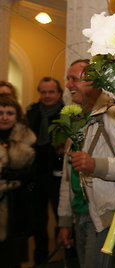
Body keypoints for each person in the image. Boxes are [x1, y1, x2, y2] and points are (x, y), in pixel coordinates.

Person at [57, 59, 115, 268]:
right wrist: (65, 220)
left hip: (104, 218)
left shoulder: (113, 115)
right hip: (81, 215)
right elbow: (68, 176)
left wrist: (95, 165)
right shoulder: (77, 118)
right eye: (68, 79)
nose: (68, 85)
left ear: (95, 83)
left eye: (74, 79)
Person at [26, 77, 65, 265]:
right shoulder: (32, 112)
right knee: (38, 223)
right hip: (36, 175)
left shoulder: (67, 114)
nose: (47, 96)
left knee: (62, 220)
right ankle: (39, 261)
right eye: (43, 91)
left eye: (51, 92)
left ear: (59, 93)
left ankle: (62, 259)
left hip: (58, 177)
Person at [0, 94, 36, 268]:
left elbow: (31, 172)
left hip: (16, 205)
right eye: (0, 113)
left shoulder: (27, 138)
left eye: (9, 113)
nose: (4, 117)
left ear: (17, 115)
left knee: (12, 255)